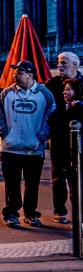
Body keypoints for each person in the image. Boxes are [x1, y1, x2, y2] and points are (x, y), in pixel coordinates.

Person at [0, 61, 56, 228]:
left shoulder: (45, 94)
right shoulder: (7, 93)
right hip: (9, 149)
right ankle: (12, 213)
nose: (15, 75)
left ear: (30, 75)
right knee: (11, 183)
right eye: (15, 72)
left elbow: (51, 118)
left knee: (32, 184)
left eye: (20, 72)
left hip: (34, 150)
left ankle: (31, 213)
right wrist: (6, 136)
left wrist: (40, 139)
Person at [47, 52, 81, 224]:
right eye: (59, 63)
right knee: (57, 176)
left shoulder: (82, 84)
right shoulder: (52, 85)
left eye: (64, 63)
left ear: (75, 65)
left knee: (76, 175)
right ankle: (59, 210)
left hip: (78, 139)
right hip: (58, 136)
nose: (59, 66)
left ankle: (78, 211)